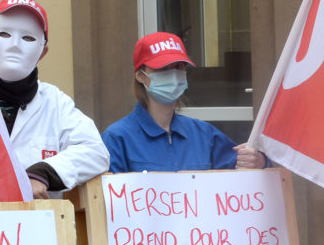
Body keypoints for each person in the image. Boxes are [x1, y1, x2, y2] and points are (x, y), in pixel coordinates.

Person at [0, 0, 109, 198]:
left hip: (36, 225)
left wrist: (42, 173)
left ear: (43, 52)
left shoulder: (55, 104)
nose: (15, 45)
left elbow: (96, 153)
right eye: (5, 34)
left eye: (28, 38)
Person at [101, 31, 267, 172]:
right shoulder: (117, 138)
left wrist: (259, 162)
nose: (173, 74)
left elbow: (246, 177)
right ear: (140, 76)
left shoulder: (204, 135)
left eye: (179, 67)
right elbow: (104, 202)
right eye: (162, 68)